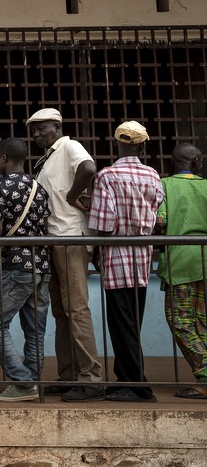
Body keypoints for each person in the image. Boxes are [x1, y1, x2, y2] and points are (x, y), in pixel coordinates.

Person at [26, 108, 103, 402]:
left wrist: (72, 197)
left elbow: (88, 168)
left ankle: (91, 377)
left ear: (57, 127)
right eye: (33, 130)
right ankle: (69, 373)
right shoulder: (46, 158)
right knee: (61, 311)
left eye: (41, 129)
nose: (36, 135)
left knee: (76, 309)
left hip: (70, 237)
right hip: (54, 238)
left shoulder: (69, 146)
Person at [89, 121, 163, 403]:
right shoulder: (152, 175)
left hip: (117, 257)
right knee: (133, 322)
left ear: (116, 144)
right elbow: (156, 213)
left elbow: (104, 224)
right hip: (142, 257)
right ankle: (124, 378)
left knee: (121, 325)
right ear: (142, 146)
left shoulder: (107, 176)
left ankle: (139, 387)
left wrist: (96, 250)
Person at [0, 137, 52, 402]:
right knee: (35, 329)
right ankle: (31, 382)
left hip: (16, 265)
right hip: (41, 265)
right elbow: (43, 224)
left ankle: (23, 383)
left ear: (3, 158)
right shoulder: (39, 188)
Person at [155, 143, 207, 398]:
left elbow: (160, 223)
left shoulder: (164, 186)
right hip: (205, 260)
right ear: (197, 162)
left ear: (172, 163)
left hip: (181, 263)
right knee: (202, 321)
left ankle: (206, 375)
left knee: (181, 321)